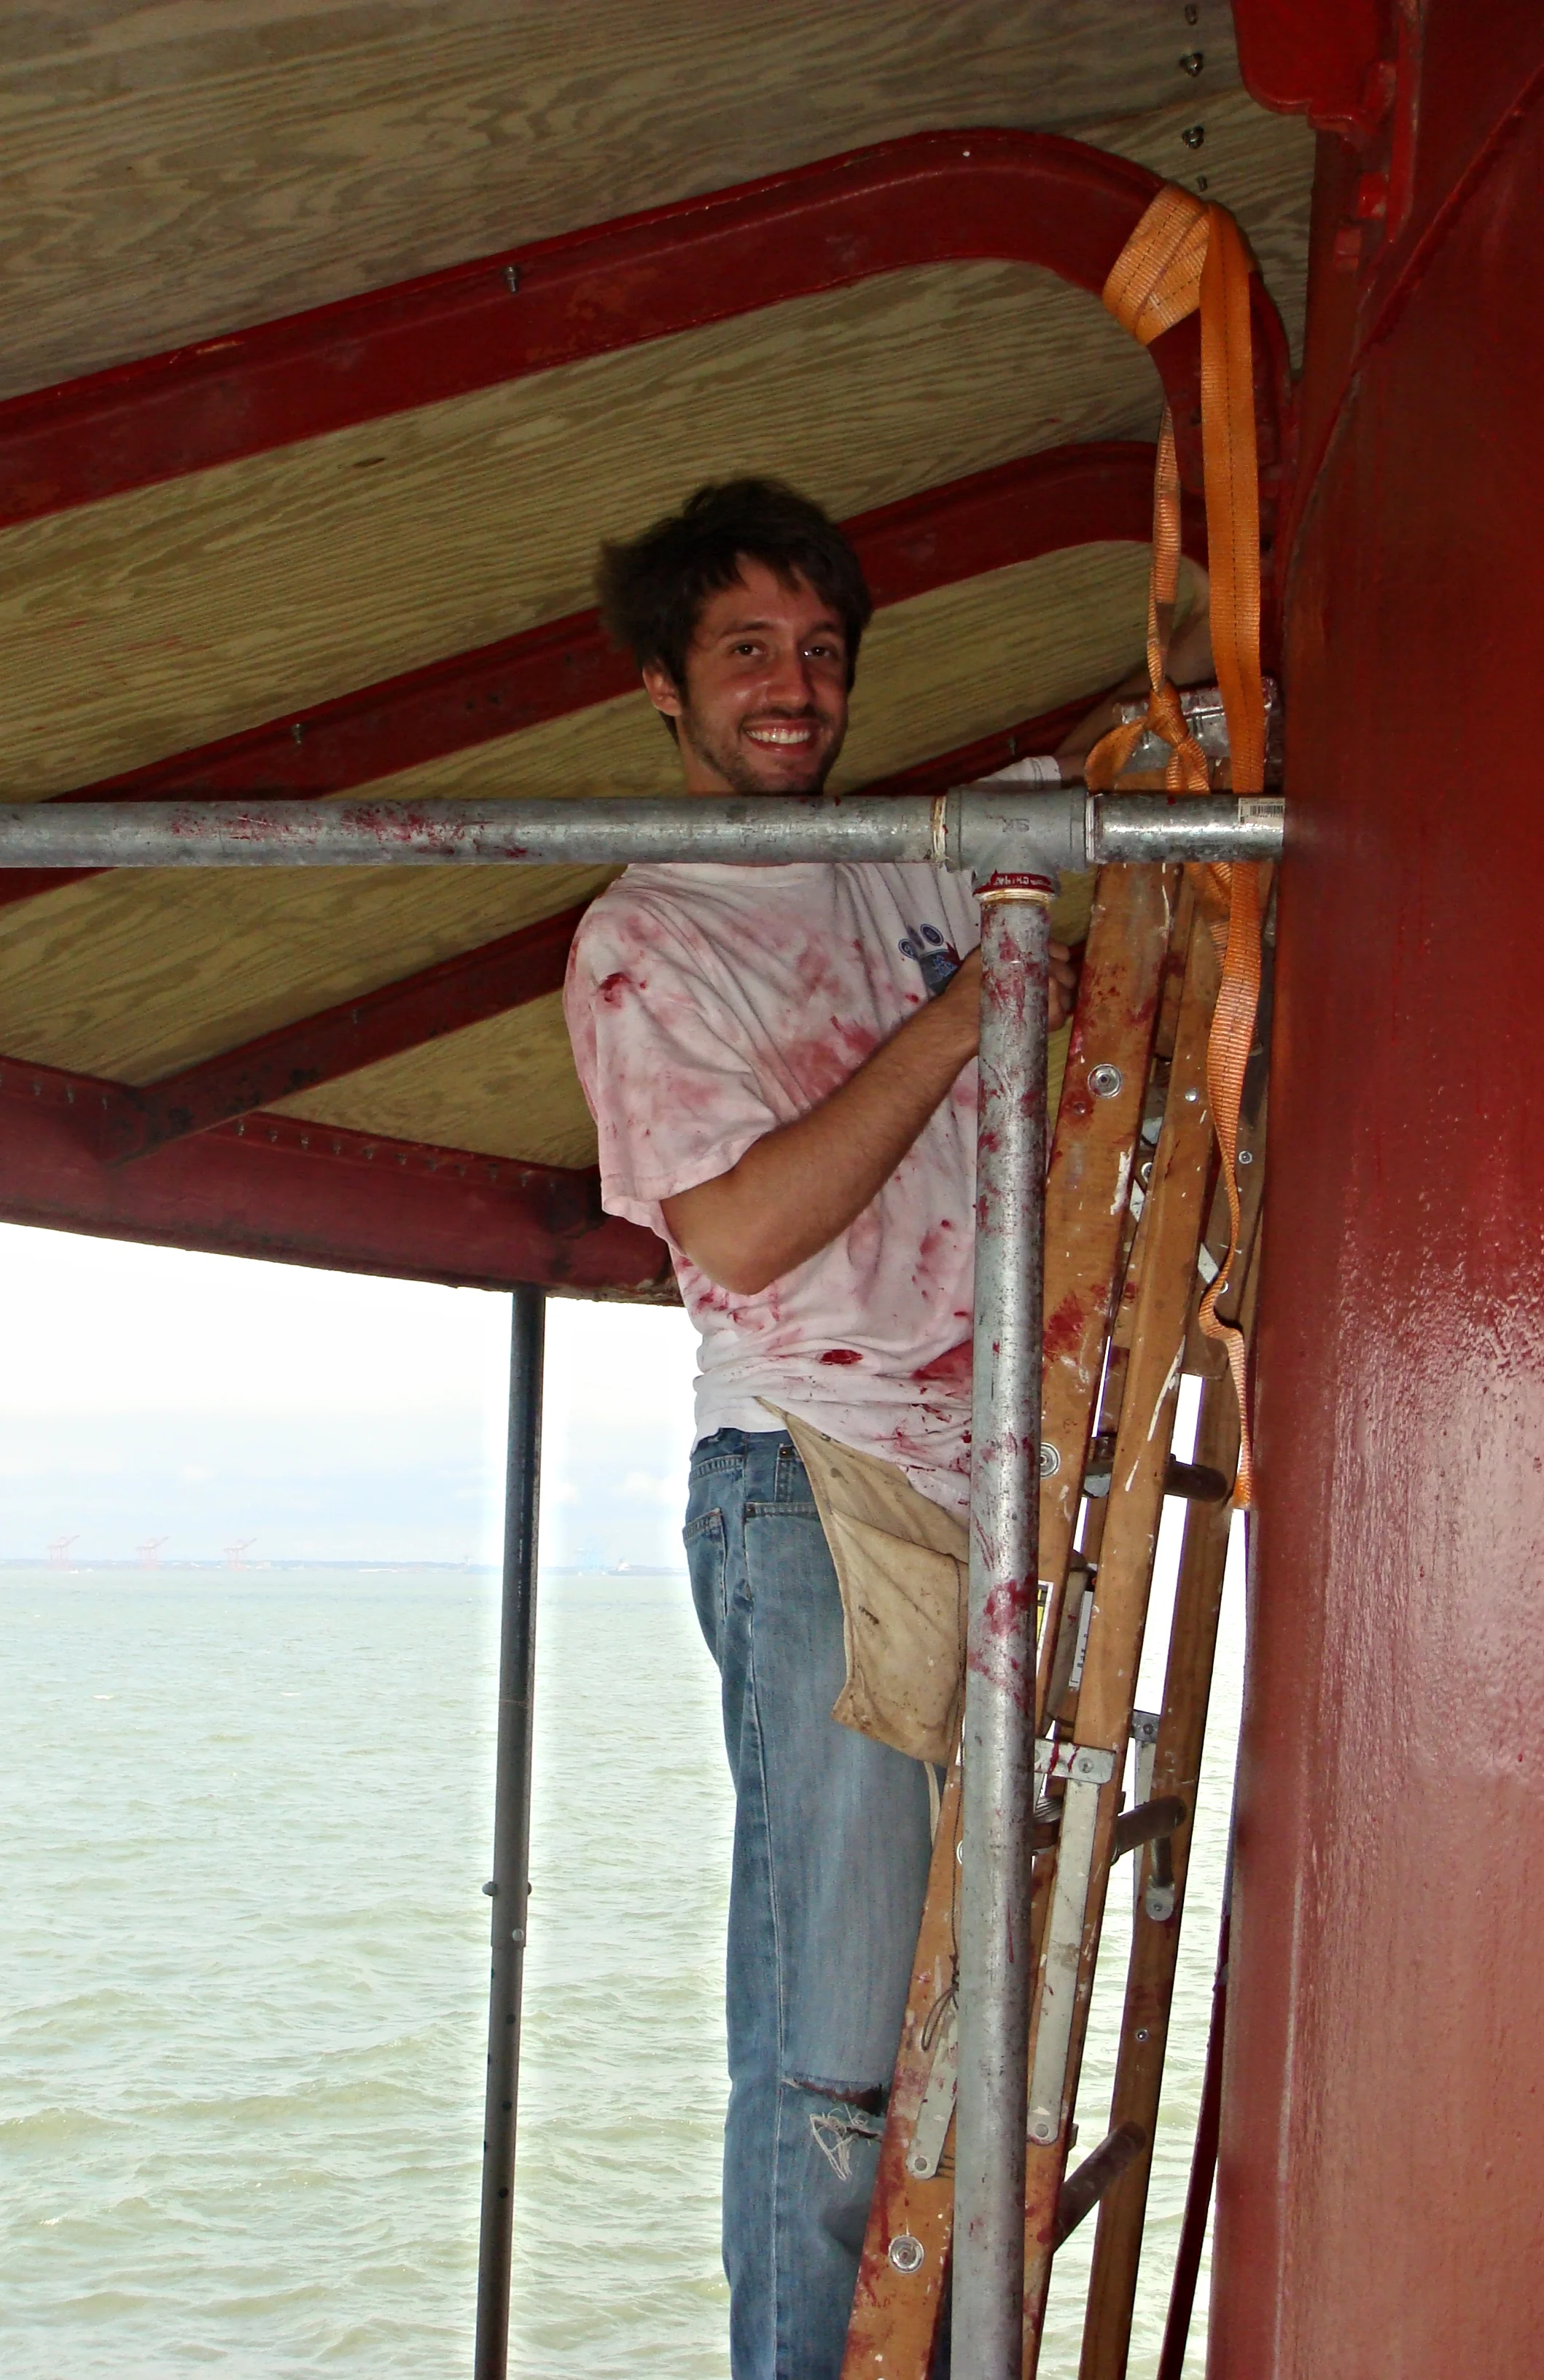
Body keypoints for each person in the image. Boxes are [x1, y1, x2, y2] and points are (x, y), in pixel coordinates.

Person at [561, 477, 1080, 2380]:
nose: (794, 689)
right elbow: (745, 1228)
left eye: (822, 652)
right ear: (664, 690)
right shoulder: (648, 937)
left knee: (972, 2040)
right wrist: (959, 1030)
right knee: (835, 2063)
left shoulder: (910, 861)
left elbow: (1151, 731)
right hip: (804, 1486)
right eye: (748, 653)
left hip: (986, 1490)